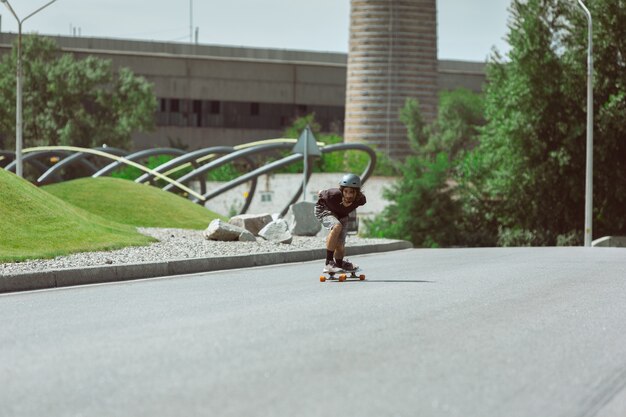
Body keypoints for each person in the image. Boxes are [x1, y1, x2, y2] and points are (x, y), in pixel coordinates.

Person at [315, 173, 367, 273]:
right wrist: (321, 194)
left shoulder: (361, 199)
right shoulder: (332, 194)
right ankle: (329, 263)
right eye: (346, 191)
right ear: (342, 190)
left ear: (357, 192)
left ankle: (339, 263)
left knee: (340, 243)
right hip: (323, 210)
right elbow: (320, 192)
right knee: (336, 226)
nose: (348, 195)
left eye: (352, 192)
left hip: (342, 215)